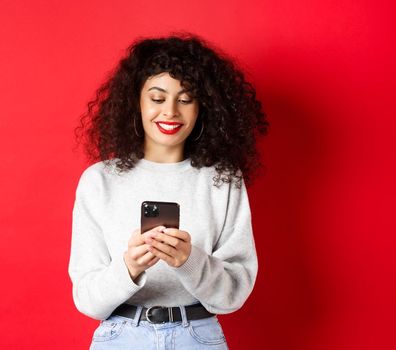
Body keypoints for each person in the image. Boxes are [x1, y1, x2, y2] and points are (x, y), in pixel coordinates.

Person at [68, 32, 269, 349]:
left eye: (186, 99)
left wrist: (189, 261)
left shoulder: (223, 180)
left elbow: (233, 294)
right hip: (120, 337)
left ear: (204, 107)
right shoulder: (99, 181)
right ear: (137, 102)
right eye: (158, 98)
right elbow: (88, 301)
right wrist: (130, 267)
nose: (171, 112)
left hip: (198, 336)